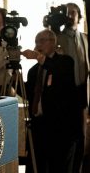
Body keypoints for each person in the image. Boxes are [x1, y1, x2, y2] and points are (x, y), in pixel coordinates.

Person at [22, 29, 81, 173]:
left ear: (54, 43)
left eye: (42, 41)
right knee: (38, 166)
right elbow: (29, 94)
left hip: (59, 127)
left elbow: (62, 78)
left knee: (58, 166)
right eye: (36, 42)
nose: (38, 45)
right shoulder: (34, 71)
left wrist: (39, 58)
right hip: (38, 126)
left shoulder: (65, 62)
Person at [57, 2, 89, 172]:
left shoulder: (85, 38)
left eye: (73, 13)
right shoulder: (56, 37)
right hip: (64, 95)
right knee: (65, 138)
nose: (69, 16)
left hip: (82, 93)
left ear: (79, 15)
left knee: (81, 136)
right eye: (66, 13)